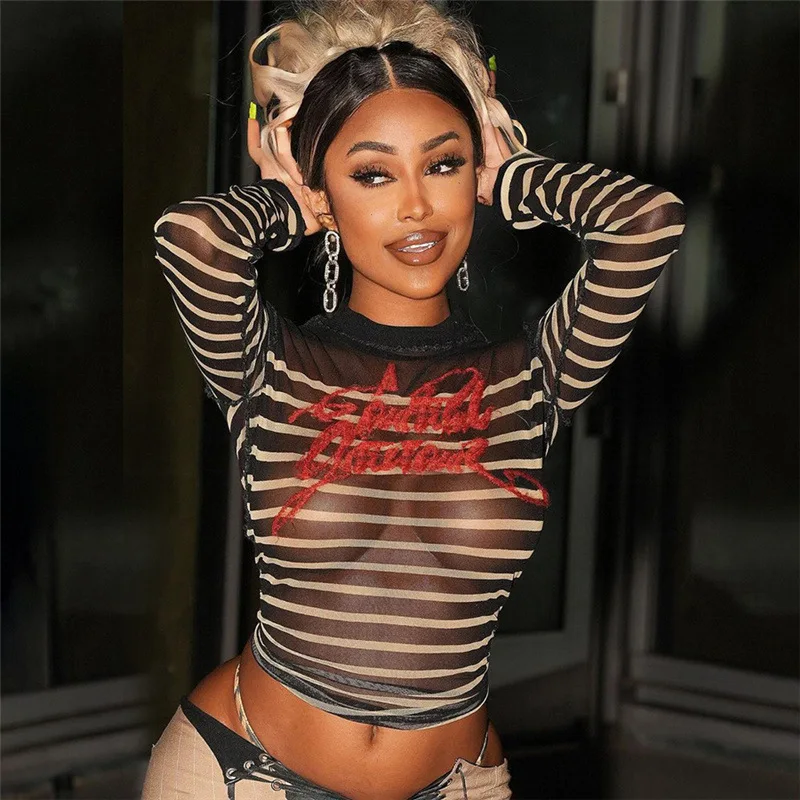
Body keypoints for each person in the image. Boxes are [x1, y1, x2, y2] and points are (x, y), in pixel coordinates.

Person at [141, 1, 686, 798]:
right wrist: (294, 200)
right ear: (326, 190)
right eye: (372, 173)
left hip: (455, 782)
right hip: (239, 772)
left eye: (443, 164)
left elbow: (646, 223)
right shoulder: (268, 366)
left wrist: (511, 175)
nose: (416, 207)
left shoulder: (533, 375)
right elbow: (192, 238)